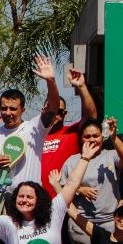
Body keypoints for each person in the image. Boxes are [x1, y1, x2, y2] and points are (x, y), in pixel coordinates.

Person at [0, 56, 64, 205]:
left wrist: (50, 81)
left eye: (13, 108)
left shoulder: (35, 128)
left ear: (22, 110)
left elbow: (53, 107)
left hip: (29, 200)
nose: (8, 113)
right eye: (4, 108)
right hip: (1, 199)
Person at [38, 67, 99, 196]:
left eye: (59, 112)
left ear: (64, 114)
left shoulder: (72, 132)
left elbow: (91, 116)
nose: (55, 115)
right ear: (43, 111)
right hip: (36, 201)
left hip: (64, 199)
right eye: (51, 111)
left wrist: (82, 87)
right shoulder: (34, 136)